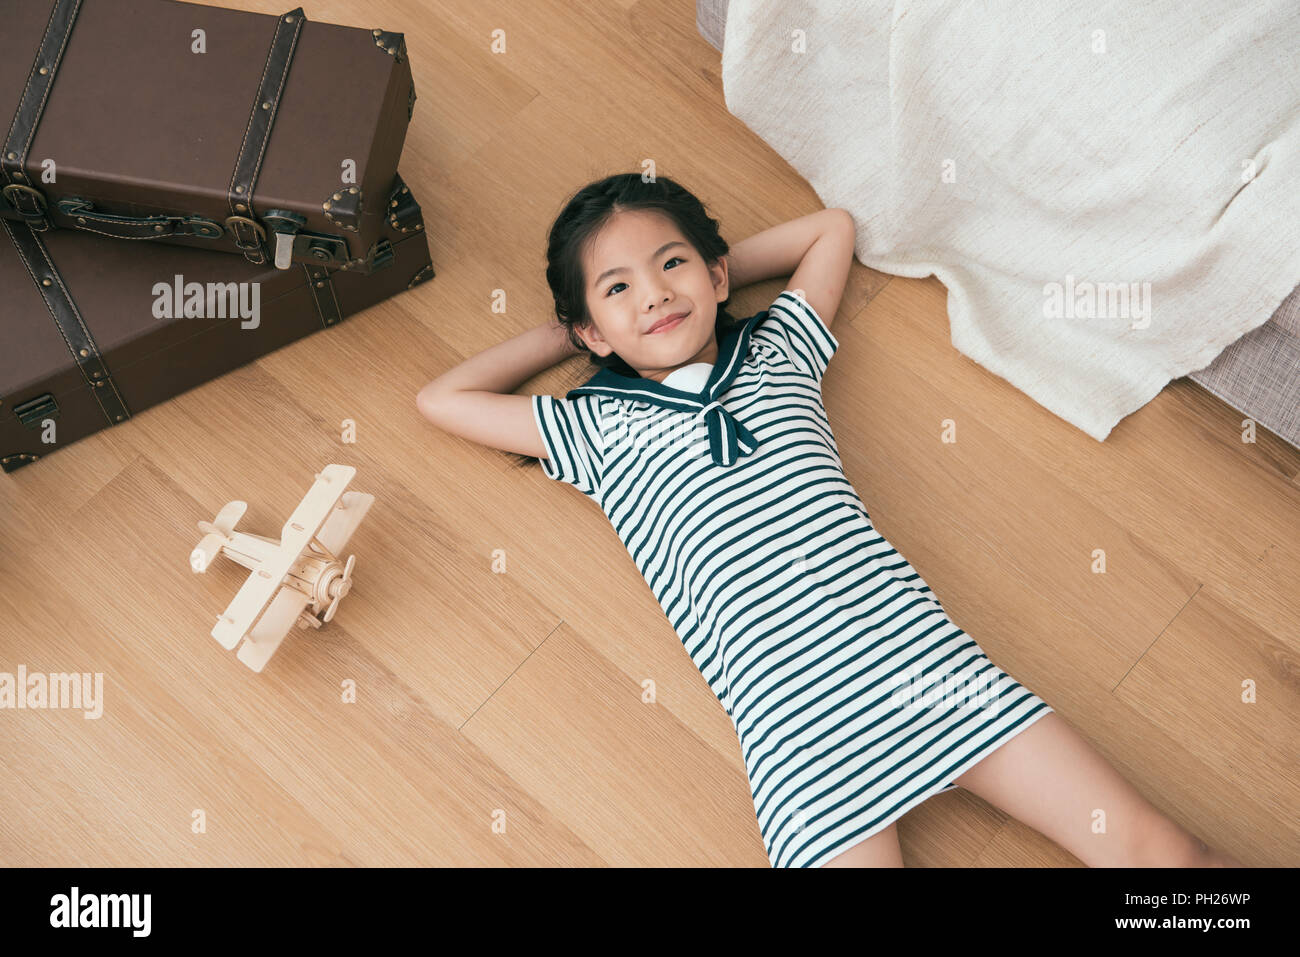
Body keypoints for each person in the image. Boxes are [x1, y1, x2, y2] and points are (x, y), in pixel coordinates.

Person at [416, 172, 1241, 868]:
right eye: (618, 287)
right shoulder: (590, 428)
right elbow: (441, 399)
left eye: (672, 265)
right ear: (591, 326)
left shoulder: (778, 352)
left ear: (715, 273)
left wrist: (708, 276)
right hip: (797, 736)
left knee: (1156, 848)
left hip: (925, 664)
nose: (656, 292)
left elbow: (828, 230)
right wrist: (573, 336)